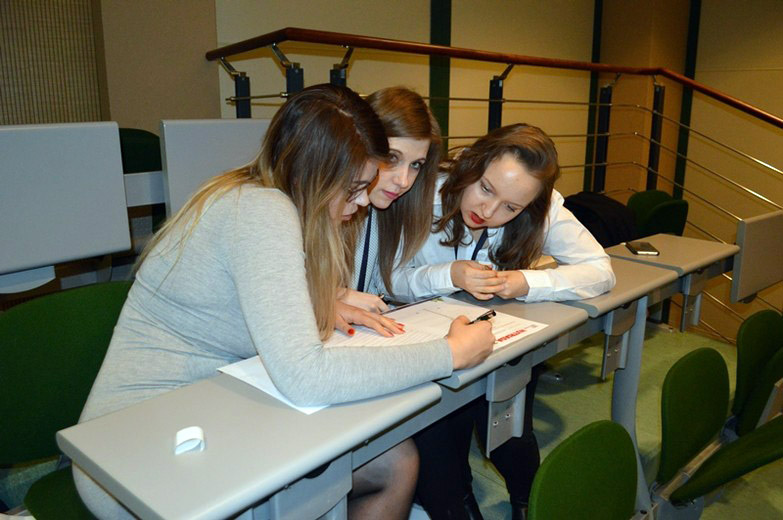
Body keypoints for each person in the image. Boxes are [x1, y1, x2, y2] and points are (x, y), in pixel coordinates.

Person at [73, 84, 495, 520]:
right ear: (315, 175)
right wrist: (449, 354)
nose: (362, 202)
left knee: (395, 461)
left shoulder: (254, 191)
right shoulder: (262, 212)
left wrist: (323, 302)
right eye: (353, 188)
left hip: (209, 410)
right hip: (140, 457)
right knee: (389, 462)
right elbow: (305, 375)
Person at [389, 123, 616, 520]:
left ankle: (527, 503)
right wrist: (448, 275)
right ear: (471, 164)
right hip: (426, 343)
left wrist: (527, 282)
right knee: (441, 457)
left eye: (511, 208)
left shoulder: (542, 204)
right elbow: (387, 279)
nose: (488, 212)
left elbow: (600, 271)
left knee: (510, 436)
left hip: (497, 340)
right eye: (485, 188)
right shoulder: (420, 189)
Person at [339, 86, 442, 316]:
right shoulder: (311, 206)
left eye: (416, 165)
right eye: (392, 158)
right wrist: (335, 297)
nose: (404, 181)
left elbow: (386, 284)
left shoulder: (390, 208)